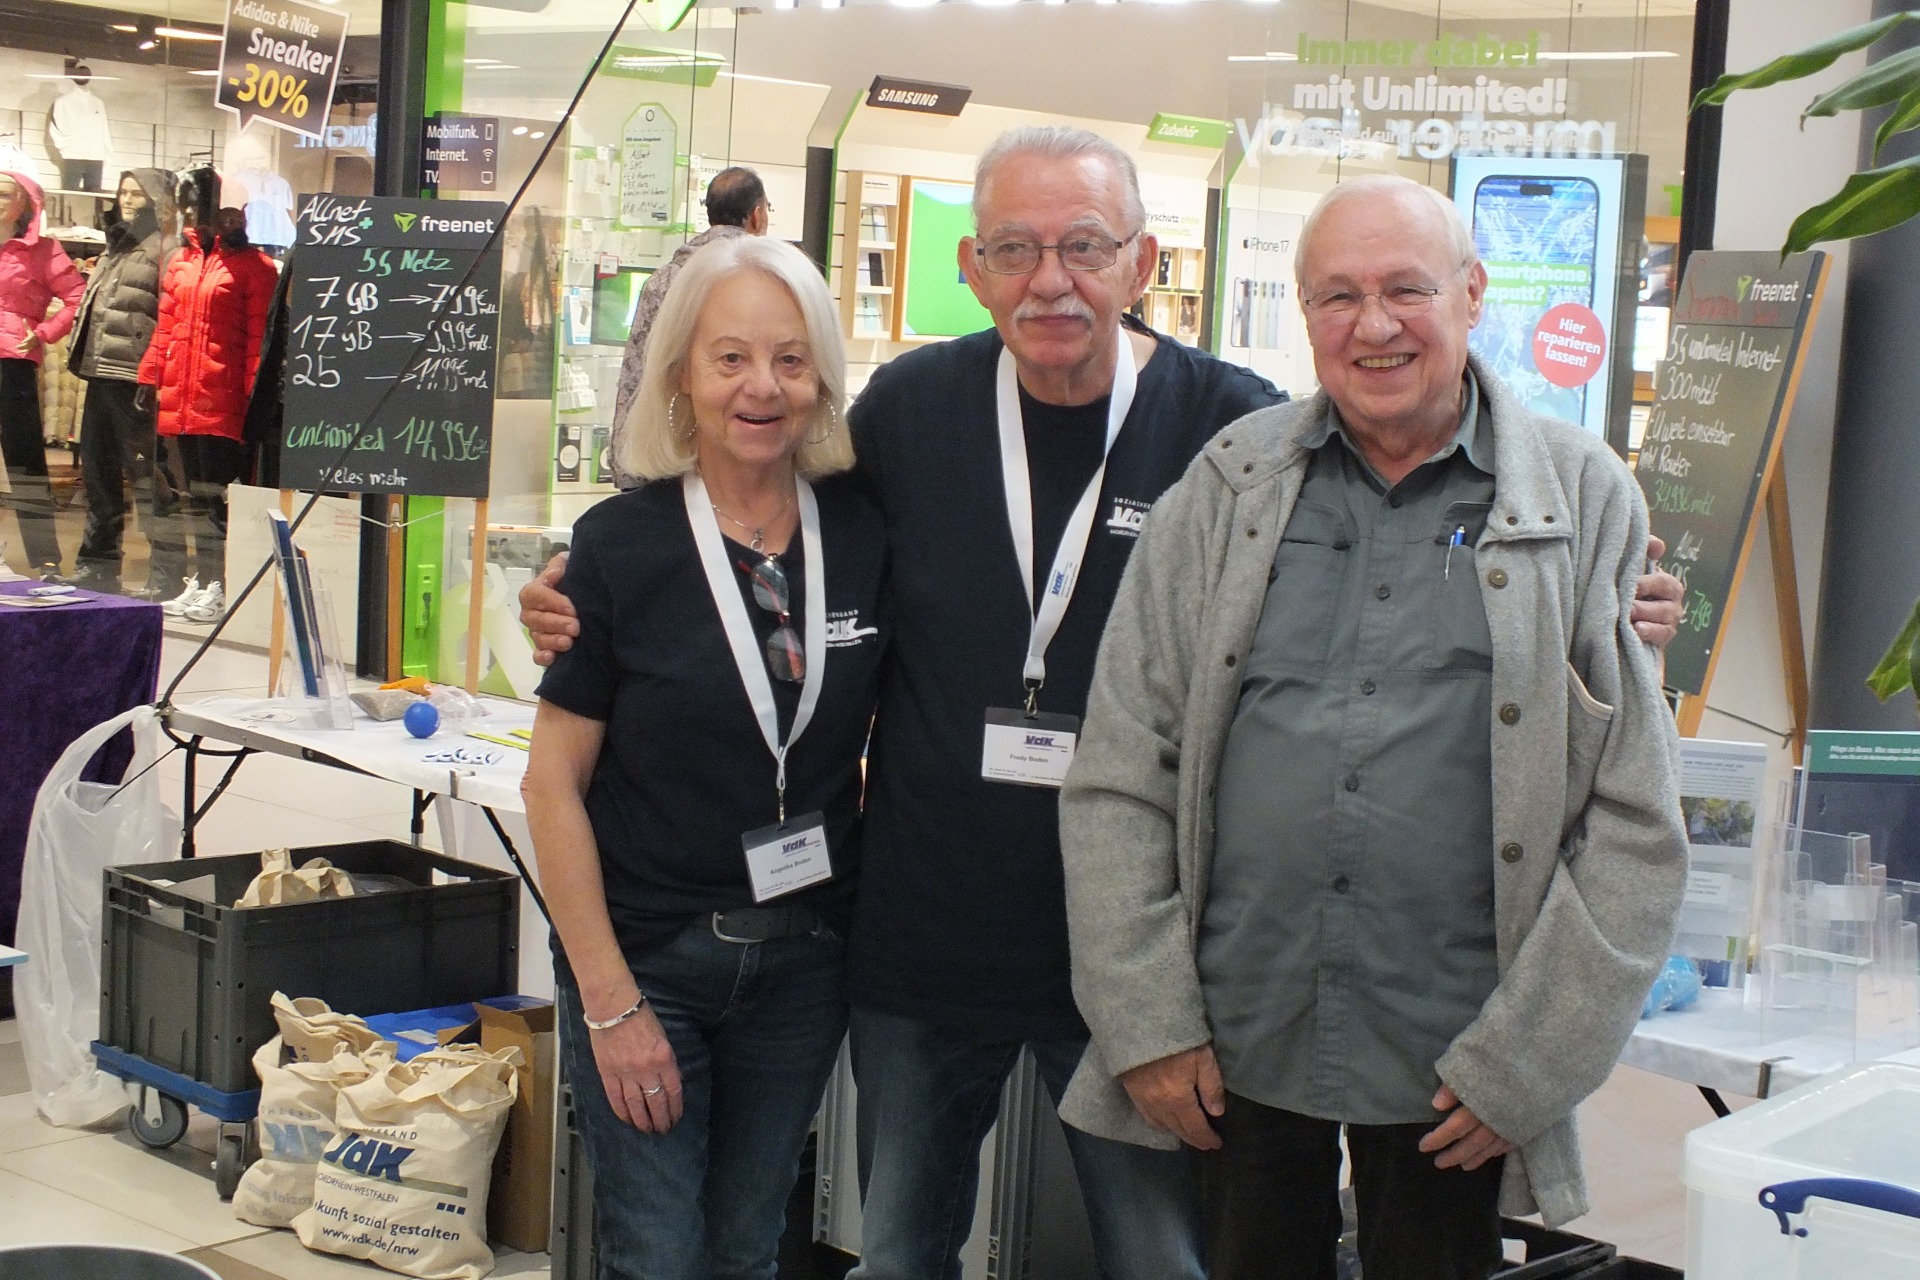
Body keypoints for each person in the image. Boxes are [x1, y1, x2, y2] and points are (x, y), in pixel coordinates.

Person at [520, 131, 1685, 1278]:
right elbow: (769, 526)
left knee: (1159, 1253)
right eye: (1015, 249)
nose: (1051, 280)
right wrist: (592, 591)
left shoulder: (1230, 432)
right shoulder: (920, 411)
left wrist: (1615, 599)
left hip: (1148, 960)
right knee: (902, 1245)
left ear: (1142, 261)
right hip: (930, 938)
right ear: (973, 268)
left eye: (1084, 245)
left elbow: (1586, 750)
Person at [1055, 174, 1689, 1280]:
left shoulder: (1582, 500)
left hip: (1458, 1059)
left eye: (1407, 289)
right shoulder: (1229, 485)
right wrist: (1144, 1018)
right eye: (1338, 296)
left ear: (1472, 294)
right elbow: (1121, 767)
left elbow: (1635, 821)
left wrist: (1532, 1063)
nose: (1374, 324)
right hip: (1237, 1033)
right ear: (1304, 313)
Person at [521, 234, 885, 1280]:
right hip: (651, 961)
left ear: (822, 377)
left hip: (804, 959)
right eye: (730, 358)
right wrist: (608, 1001)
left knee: (745, 1246)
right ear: (682, 372)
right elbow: (551, 785)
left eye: (789, 358)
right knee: (659, 1254)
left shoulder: (867, 533)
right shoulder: (620, 545)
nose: (761, 386)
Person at [137, 182, 277, 624]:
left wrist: (255, 390)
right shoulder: (182, 261)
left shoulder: (255, 267)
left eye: (232, 213)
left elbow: (260, 338)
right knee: (192, 495)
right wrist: (151, 375)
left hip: (223, 398)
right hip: (182, 396)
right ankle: (202, 578)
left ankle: (222, 584)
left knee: (217, 496)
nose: (223, 220)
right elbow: (166, 324)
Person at [609, 166, 770, 486]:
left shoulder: (664, 279)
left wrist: (625, 462)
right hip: (736, 451)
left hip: (661, 450)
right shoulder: (763, 282)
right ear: (756, 215)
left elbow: (635, 373)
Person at [62, 168, 175, 594]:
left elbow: (168, 315)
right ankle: (98, 563)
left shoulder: (163, 248)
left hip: (135, 377)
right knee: (98, 470)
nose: (127, 200)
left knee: (145, 475)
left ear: (156, 200)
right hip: (102, 371)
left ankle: (165, 572)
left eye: (137, 194)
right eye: (123, 192)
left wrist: (154, 371)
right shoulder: (118, 244)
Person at [0, 168, 85, 577]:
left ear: (24, 204)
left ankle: (46, 558)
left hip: (11, 362)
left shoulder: (43, 250)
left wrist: (45, 332)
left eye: (5, 194)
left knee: (25, 463)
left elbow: (77, 297)